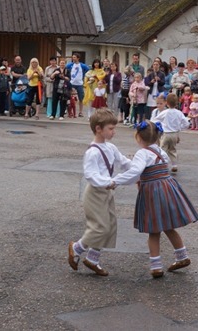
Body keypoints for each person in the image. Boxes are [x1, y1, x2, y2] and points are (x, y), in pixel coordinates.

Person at [109, 121, 198, 278]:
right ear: (158, 136)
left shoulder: (142, 153)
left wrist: (116, 181)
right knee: (169, 226)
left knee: (154, 230)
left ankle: (156, 266)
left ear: (138, 137)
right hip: (168, 189)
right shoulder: (161, 152)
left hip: (152, 192)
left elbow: (135, 172)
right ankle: (182, 256)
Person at [67, 109, 131, 276]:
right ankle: (76, 248)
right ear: (98, 129)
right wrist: (108, 182)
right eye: (110, 128)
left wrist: (141, 166)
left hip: (106, 191)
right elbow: (90, 174)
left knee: (109, 224)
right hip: (95, 192)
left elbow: (124, 162)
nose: (114, 132)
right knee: (99, 227)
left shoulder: (110, 147)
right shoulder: (92, 151)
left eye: (114, 128)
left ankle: (93, 259)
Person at [153, 93, 190, 172]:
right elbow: (186, 123)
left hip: (166, 133)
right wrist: (180, 128)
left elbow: (156, 119)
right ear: (176, 103)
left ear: (167, 102)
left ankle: (161, 165)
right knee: (172, 149)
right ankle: (174, 165)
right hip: (175, 134)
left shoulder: (165, 112)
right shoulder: (179, 113)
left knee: (163, 149)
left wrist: (158, 126)